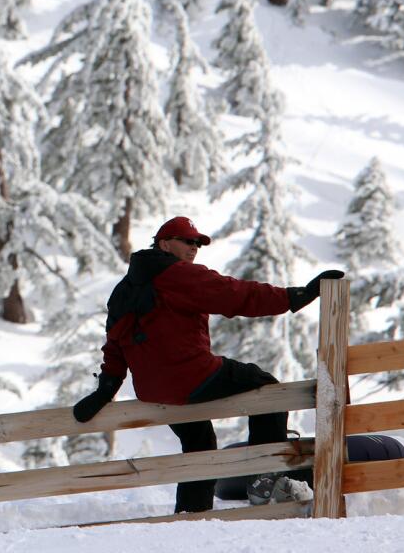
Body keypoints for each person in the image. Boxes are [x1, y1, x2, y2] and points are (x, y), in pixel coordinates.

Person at [69, 215, 344, 512]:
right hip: (193, 375)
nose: (194, 248)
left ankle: (191, 514)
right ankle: (265, 479)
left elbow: (115, 341)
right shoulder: (177, 275)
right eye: (187, 241)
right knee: (267, 389)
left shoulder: (124, 288)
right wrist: (295, 297)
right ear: (164, 244)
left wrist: (107, 387)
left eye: (197, 243)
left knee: (199, 445)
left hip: (154, 390)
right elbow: (234, 294)